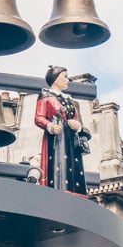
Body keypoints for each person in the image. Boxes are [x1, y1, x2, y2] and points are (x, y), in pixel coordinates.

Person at [34, 65, 88, 194]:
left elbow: (76, 119)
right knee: (60, 166)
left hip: (72, 139)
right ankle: (60, 191)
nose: (67, 80)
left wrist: (78, 126)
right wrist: (50, 126)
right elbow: (38, 117)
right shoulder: (45, 95)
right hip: (58, 139)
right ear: (56, 78)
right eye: (65, 77)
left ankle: (77, 192)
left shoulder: (69, 100)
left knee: (75, 168)